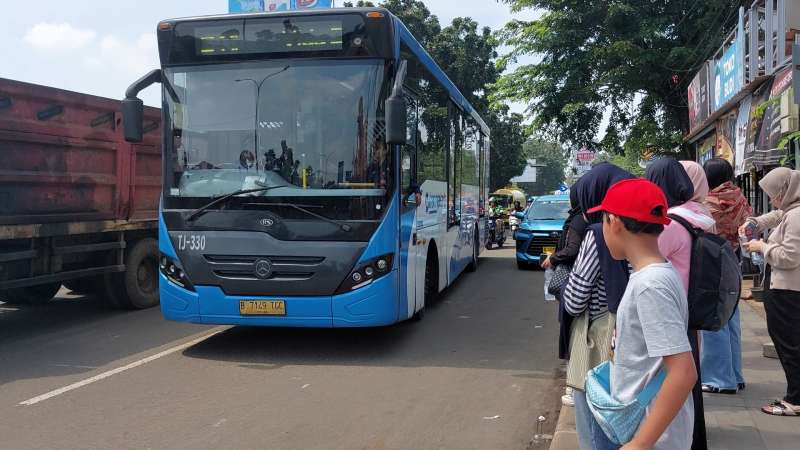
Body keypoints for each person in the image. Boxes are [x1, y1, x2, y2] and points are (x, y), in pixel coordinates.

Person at [588, 178, 697, 450]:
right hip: (648, 426)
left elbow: (683, 372)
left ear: (614, 222)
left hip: (653, 435)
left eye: (602, 221)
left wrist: (641, 442)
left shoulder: (651, 285)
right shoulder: (655, 274)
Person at [562, 162, 633, 450]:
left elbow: (575, 299)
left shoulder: (597, 234)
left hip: (598, 336)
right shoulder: (643, 230)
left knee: (594, 425)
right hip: (628, 334)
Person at [646, 159, 714, 450]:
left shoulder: (672, 221)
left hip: (672, 312)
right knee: (689, 384)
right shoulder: (698, 213)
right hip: (690, 310)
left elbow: (644, 257)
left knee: (672, 389)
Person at [740, 167, 800, 416]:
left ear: (785, 192)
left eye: (774, 194)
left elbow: (788, 257)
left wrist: (761, 246)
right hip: (785, 289)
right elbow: (777, 215)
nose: (773, 199)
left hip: (788, 292)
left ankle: (795, 399)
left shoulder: (796, 216)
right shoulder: (791, 210)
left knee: (790, 345)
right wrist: (756, 222)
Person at [700, 158, 751, 395]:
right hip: (734, 261)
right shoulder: (741, 198)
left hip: (713, 263)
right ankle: (735, 374)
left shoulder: (706, 203)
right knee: (731, 320)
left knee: (713, 320)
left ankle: (719, 378)